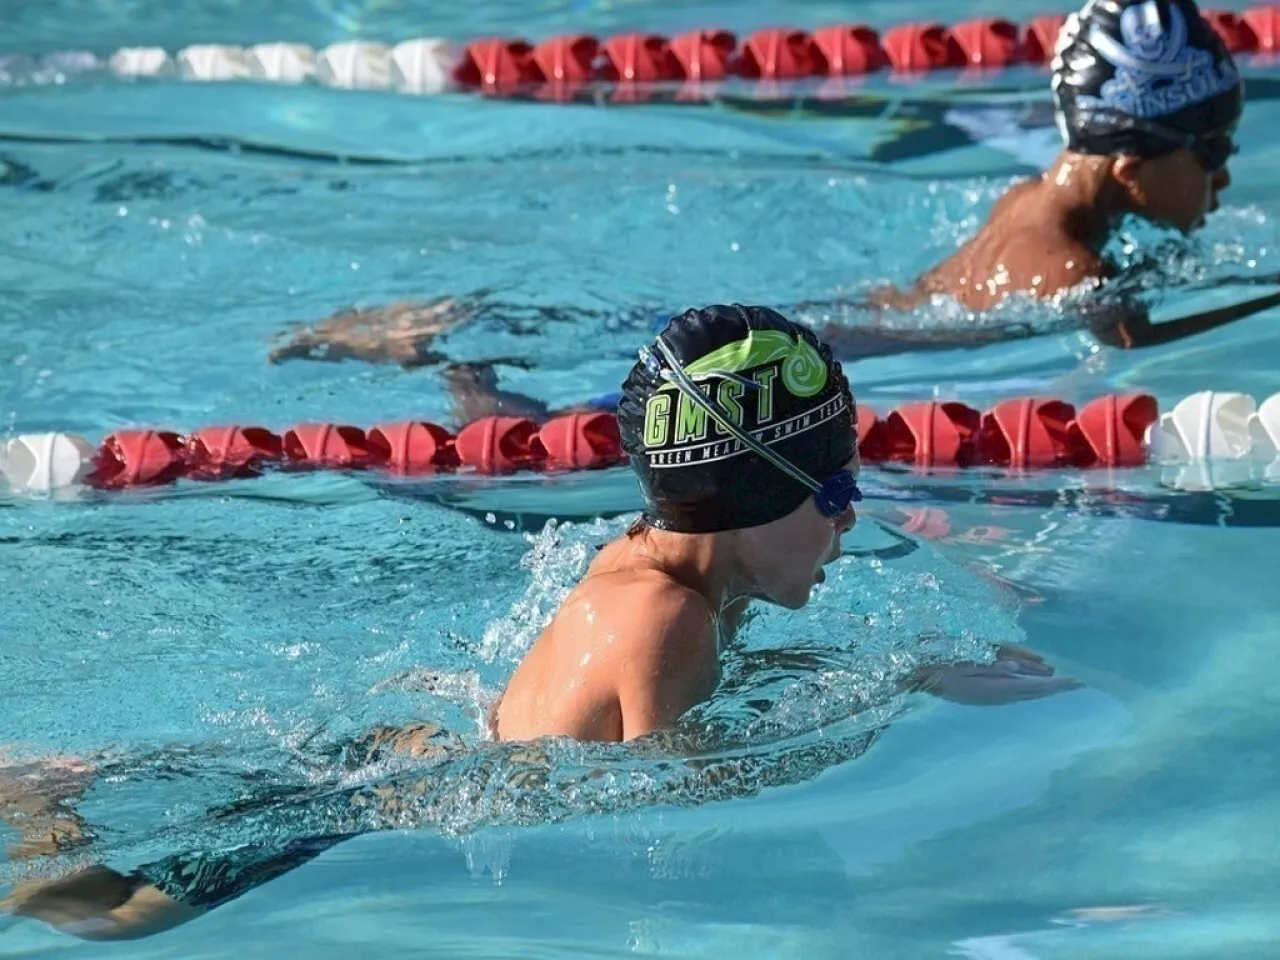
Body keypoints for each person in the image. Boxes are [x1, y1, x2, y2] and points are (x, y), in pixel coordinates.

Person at [4, 306, 1080, 940]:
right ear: (752, 499)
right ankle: (39, 818)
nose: (849, 531)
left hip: (413, 753)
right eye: (838, 497)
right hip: (389, 807)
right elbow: (678, 822)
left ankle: (58, 790)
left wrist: (912, 669)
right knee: (106, 913)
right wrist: (879, 698)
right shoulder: (669, 620)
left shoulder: (672, 575)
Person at [267, 0, 1271, 392]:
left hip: (828, 324)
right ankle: (445, 350)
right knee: (570, 391)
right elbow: (1144, 356)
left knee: (602, 344)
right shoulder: (1072, 268)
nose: (1225, 175)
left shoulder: (1032, 201)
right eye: (1216, 151)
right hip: (825, 352)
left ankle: (450, 340)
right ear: (1132, 168)